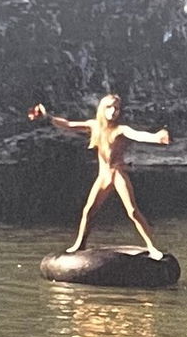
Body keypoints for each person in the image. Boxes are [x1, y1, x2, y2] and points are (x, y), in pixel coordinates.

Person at [27, 94, 171, 258]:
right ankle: (80, 244)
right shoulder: (94, 126)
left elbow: (138, 135)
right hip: (103, 176)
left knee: (132, 211)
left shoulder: (121, 130)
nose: (113, 111)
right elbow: (68, 125)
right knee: (88, 210)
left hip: (117, 174)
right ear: (102, 109)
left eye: (116, 108)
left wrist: (156, 138)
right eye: (109, 107)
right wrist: (48, 117)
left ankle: (152, 247)